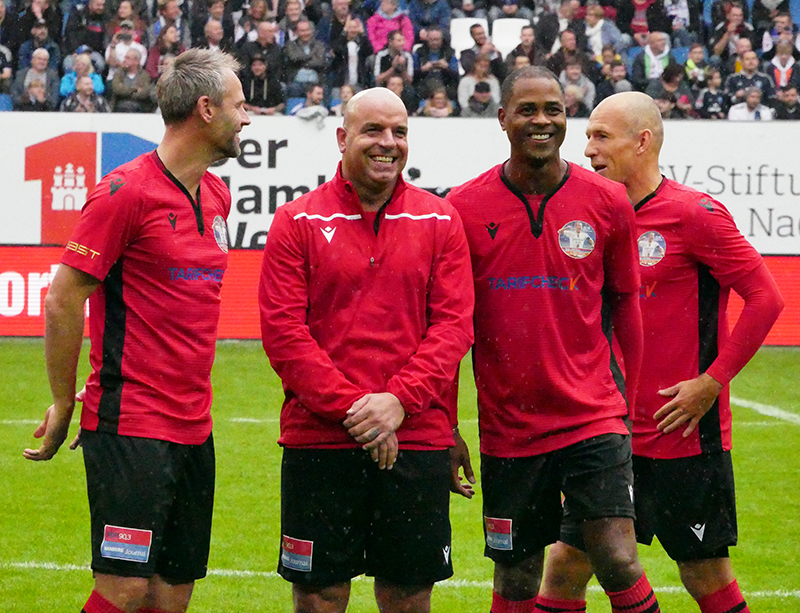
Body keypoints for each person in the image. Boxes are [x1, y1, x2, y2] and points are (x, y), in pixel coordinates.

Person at [24, 48, 250, 613]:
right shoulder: (125, 192)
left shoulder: (217, 195)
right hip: (132, 422)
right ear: (205, 109)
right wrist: (63, 400)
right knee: (125, 589)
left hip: (196, 426)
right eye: (239, 105)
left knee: (172, 594)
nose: (247, 118)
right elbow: (63, 298)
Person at [541, 90, 784, 613]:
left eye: (601, 136)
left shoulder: (693, 214)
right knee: (565, 566)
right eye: (587, 136)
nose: (587, 150)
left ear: (642, 141)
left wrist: (712, 381)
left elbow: (767, 297)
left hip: (682, 435)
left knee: (705, 573)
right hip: (606, 432)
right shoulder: (591, 217)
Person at [445, 66, 660, 613]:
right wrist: (447, 424)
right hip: (509, 429)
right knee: (516, 578)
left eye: (554, 110)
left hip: (592, 417)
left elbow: (627, 310)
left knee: (618, 559)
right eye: (528, 110)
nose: (542, 121)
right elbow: (449, 329)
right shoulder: (462, 209)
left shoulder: (608, 201)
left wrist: (627, 409)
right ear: (502, 119)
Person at [259, 86, 474, 613]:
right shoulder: (297, 221)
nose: (388, 143)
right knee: (320, 594)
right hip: (321, 438)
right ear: (342, 138)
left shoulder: (441, 220)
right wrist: (361, 413)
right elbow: (284, 334)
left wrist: (398, 402)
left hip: (416, 437)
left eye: (399, 132)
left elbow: (453, 327)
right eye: (373, 130)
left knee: (406, 594)